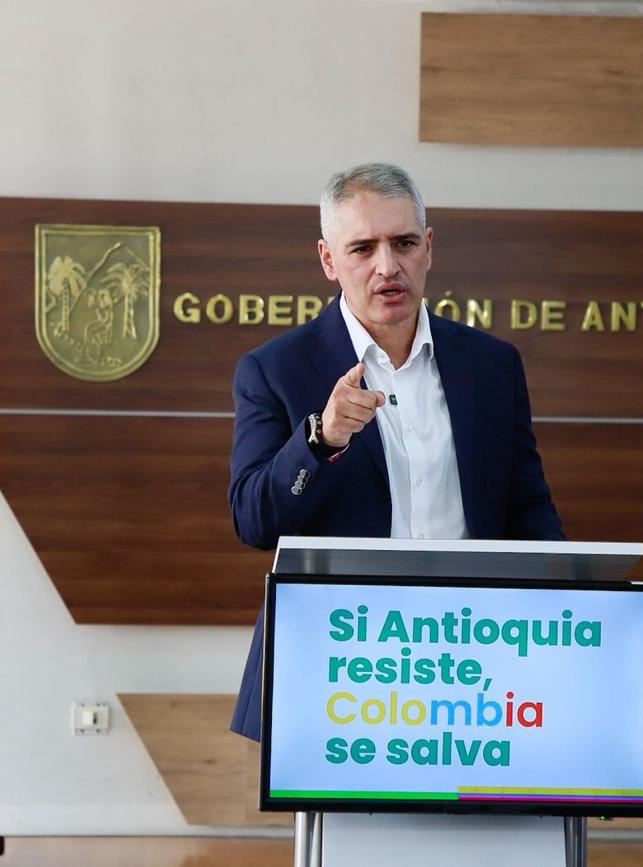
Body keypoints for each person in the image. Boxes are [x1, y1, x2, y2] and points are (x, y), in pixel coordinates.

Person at [228, 163, 563, 740]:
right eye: (362, 248)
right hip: (339, 668)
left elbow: (527, 508)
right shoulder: (275, 368)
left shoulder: (491, 364)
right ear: (329, 260)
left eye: (403, 243)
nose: (388, 266)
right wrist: (320, 440)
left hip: (472, 665)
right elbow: (254, 520)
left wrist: (570, 614)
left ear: (428, 247)